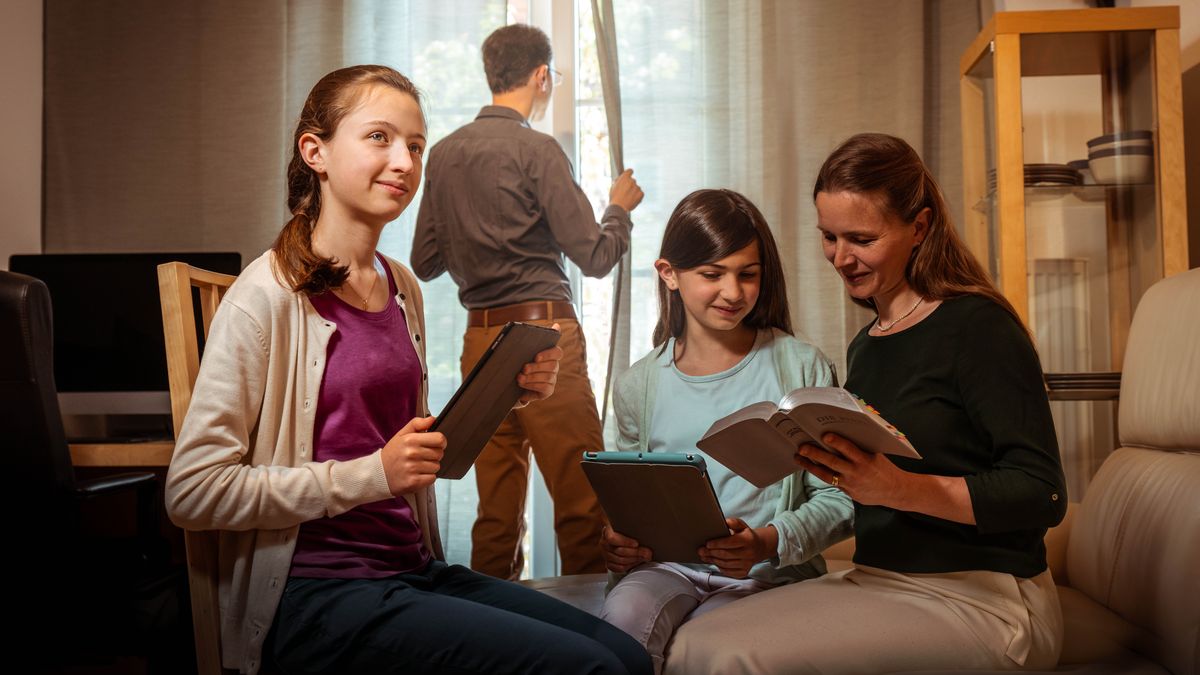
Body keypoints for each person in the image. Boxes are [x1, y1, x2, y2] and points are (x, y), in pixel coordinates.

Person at [164, 65, 651, 675]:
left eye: (415, 146)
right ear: (314, 151)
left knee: (627, 655)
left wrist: (509, 396)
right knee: (593, 668)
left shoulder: (402, 286)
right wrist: (371, 476)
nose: (405, 162)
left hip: (412, 570)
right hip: (318, 593)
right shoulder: (265, 297)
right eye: (379, 138)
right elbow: (192, 492)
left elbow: (410, 450)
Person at [665, 133, 1069, 674]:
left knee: (734, 659)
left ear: (919, 228)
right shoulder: (870, 342)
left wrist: (898, 488)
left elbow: (1041, 494)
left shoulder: (978, 327)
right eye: (829, 237)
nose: (841, 257)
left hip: (985, 598)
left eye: (861, 238)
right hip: (881, 579)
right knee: (696, 642)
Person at [412, 23, 644, 579]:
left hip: (479, 341)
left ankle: (495, 641)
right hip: (544, 341)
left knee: (496, 508)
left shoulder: (442, 156)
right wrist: (619, 208)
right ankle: (593, 633)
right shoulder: (538, 149)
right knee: (581, 497)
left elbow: (424, 262)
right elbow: (594, 256)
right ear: (541, 75)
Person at [599, 189, 853, 673]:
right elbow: (627, 501)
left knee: (710, 644)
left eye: (747, 274)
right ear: (668, 274)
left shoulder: (801, 368)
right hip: (664, 571)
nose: (733, 292)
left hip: (766, 575)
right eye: (712, 274)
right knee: (618, 623)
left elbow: (839, 499)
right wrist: (616, 540)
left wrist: (766, 541)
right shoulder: (638, 384)